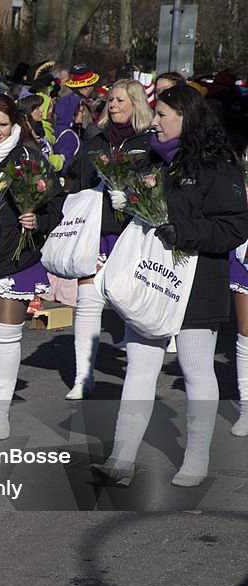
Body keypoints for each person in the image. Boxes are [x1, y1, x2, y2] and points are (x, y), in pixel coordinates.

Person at [94, 85, 248, 487]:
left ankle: (196, 459)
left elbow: (234, 225)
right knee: (140, 368)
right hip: (154, 279)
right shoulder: (153, 159)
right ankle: (121, 459)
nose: (154, 121)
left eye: (162, 114)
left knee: (196, 369)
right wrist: (123, 203)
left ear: (187, 117)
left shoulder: (217, 163)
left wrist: (182, 231)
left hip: (199, 282)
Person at [0, 94, 64, 440]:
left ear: (15, 125)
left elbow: (56, 205)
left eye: (2, 125)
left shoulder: (29, 157)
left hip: (17, 259)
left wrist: (38, 218)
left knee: (5, 339)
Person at [64, 79, 154, 399]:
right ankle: (82, 377)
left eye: (119, 100)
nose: (113, 105)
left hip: (134, 235)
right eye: (111, 100)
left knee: (129, 305)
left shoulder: (148, 142)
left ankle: (136, 371)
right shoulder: (97, 140)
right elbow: (78, 180)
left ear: (136, 104)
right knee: (87, 304)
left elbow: (158, 189)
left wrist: (131, 198)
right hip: (98, 234)